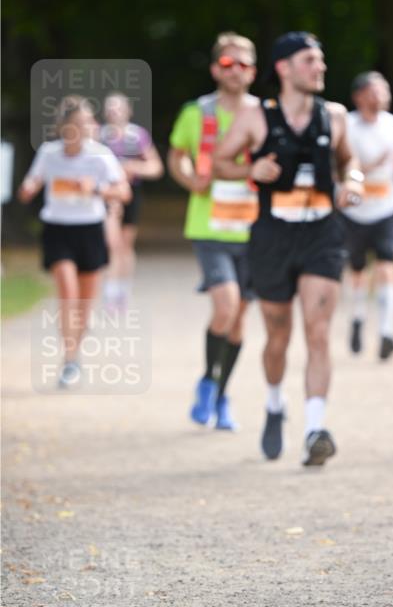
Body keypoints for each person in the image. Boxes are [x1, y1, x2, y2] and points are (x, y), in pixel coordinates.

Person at [215, 31, 364, 466]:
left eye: (321, 61)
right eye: (309, 61)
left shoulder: (333, 115)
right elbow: (221, 162)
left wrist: (351, 181)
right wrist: (250, 167)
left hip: (322, 233)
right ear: (283, 68)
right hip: (272, 235)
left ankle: (316, 428)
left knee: (318, 332)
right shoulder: (255, 116)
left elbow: (348, 160)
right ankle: (275, 405)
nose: (320, 68)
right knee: (278, 335)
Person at [168, 32, 259, 430]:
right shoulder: (197, 111)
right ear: (214, 69)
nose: (235, 70)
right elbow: (177, 155)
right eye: (227, 63)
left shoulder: (264, 113)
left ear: (253, 71)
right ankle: (208, 381)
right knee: (225, 306)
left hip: (254, 229)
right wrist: (190, 181)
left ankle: (220, 394)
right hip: (209, 225)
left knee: (238, 320)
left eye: (242, 64)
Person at [17, 95, 130, 387]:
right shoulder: (49, 152)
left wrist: (96, 189)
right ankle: (70, 360)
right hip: (57, 229)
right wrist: (29, 188)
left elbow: (123, 192)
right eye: (78, 124)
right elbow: (34, 180)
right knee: (67, 292)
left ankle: (76, 337)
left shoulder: (100, 155)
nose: (86, 128)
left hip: (89, 230)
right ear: (64, 127)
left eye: (88, 122)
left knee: (83, 302)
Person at [342, 71, 393, 360]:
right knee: (358, 270)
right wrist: (368, 167)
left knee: (387, 266)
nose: (382, 95)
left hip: (388, 207)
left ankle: (387, 332)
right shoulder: (347, 126)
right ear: (359, 96)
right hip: (355, 210)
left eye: (384, 89)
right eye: (374, 90)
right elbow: (342, 166)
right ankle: (358, 317)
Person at [100, 92, 163, 311]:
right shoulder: (100, 136)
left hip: (131, 194)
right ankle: (110, 291)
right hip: (108, 194)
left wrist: (133, 167)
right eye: (110, 108)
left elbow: (156, 167)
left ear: (128, 111)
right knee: (111, 243)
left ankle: (122, 290)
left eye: (118, 108)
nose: (114, 112)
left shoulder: (137, 136)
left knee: (125, 244)